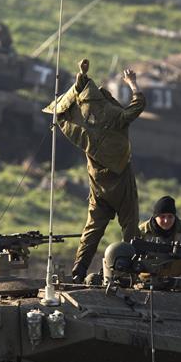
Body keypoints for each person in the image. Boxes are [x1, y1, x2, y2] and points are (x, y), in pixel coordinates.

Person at [43, 58, 147, 282]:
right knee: (131, 228)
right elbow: (138, 105)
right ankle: (130, 273)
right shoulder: (115, 118)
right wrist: (132, 83)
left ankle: (78, 271)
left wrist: (81, 78)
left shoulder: (79, 125)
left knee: (91, 231)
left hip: (98, 185)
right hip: (121, 181)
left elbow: (68, 103)